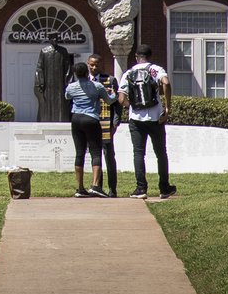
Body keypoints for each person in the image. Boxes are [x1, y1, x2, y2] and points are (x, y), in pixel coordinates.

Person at [118, 42, 175, 198]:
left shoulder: (128, 73)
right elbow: (166, 83)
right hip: (156, 118)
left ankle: (141, 188)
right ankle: (164, 188)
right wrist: (167, 108)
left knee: (138, 153)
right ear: (150, 57)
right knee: (161, 153)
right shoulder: (155, 69)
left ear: (137, 57)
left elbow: (121, 98)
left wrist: (132, 107)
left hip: (135, 119)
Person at [64, 57, 111, 197]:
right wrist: (112, 94)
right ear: (86, 73)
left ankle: (79, 188)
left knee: (79, 153)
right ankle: (96, 185)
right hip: (91, 119)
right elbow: (109, 100)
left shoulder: (71, 86)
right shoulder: (97, 86)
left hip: (76, 119)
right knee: (95, 152)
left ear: (75, 74)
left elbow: (67, 97)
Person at [86, 51, 121, 196]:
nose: (94, 68)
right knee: (95, 155)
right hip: (90, 122)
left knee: (109, 156)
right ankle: (97, 187)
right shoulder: (83, 81)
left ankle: (112, 188)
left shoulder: (110, 80)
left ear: (101, 65)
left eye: (96, 65)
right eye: (91, 65)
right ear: (88, 65)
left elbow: (117, 103)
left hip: (106, 122)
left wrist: (115, 122)